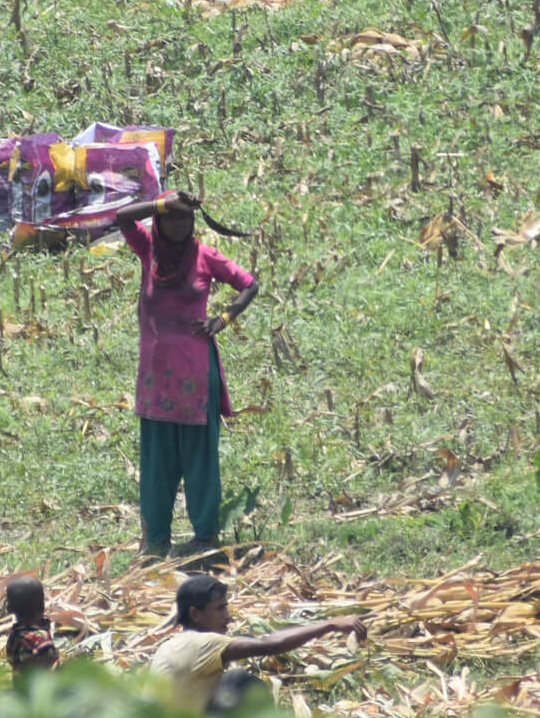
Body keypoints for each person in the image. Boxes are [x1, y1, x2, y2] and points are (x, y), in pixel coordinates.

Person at [116, 190, 259, 558]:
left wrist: (223, 319)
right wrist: (160, 203)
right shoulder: (149, 250)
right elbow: (122, 217)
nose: (180, 224)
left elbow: (248, 284)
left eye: (185, 218)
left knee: (200, 459)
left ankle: (205, 537)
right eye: (172, 217)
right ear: (160, 221)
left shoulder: (204, 256)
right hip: (155, 377)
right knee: (156, 462)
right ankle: (156, 541)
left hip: (196, 376)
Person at [151, 575, 368, 714]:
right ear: (195, 614)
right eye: (219, 609)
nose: (228, 617)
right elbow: (268, 645)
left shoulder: (171, 645)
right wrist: (329, 624)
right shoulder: (202, 643)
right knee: (245, 684)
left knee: (232, 680)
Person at [5, 576, 60, 682]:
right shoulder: (40, 638)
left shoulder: (14, 636)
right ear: (42, 606)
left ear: (9, 609)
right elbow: (52, 671)